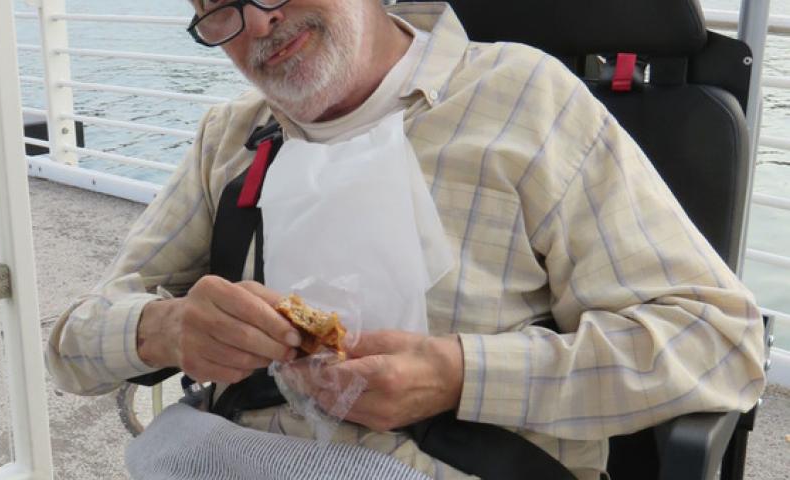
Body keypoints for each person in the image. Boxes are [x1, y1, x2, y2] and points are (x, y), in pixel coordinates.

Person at [46, 1, 767, 479]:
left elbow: (719, 342)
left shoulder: (527, 98)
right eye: (219, 7)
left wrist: (460, 375)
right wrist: (166, 329)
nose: (259, 21)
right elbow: (70, 348)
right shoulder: (230, 135)